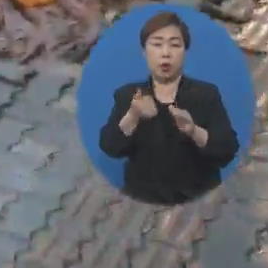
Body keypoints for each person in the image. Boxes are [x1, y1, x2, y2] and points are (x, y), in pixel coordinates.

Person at [98, 11, 239, 206]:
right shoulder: (128, 95)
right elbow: (110, 147)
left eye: (175, 45)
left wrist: (194, 131)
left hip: (198, 200)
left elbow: (227, 150)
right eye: (156, 44)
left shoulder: (206, 94)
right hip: (143, 201)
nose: (166, 53)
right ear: (144, 52)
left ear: (185, 52)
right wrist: (133, 115)